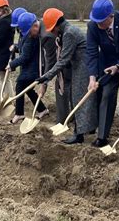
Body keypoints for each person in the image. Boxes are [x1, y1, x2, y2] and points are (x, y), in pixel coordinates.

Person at [37, 8, 98, 145]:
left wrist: (46, 77)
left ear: (56, 25)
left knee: (78, 99)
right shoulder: (67, 30)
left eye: (52, 29)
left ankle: (79, 134)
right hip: (79, 66)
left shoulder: (69, 33)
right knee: (79, 98)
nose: (51, 32)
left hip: (83, 67)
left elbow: (63, 60)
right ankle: (87, 129)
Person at [86, 0, 119, 147]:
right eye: (97, 21)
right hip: (108, 65)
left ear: (111, 16)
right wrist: (92, 77)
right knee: (106, 95)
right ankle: (102, 136)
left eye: (102, 21)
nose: (99, 24)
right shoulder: (93, 26)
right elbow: (91, 52)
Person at [7, 12, 48, 124]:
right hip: (29, 68)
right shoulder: (26, 35)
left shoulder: (30, 37)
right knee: (28, 89)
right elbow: (23, 48)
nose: (18, 30)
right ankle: (42, 109)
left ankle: (19, 113)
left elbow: (25, 56)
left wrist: (12, 64)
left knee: (20, 85)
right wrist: (16, 47)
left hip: (33, 69)